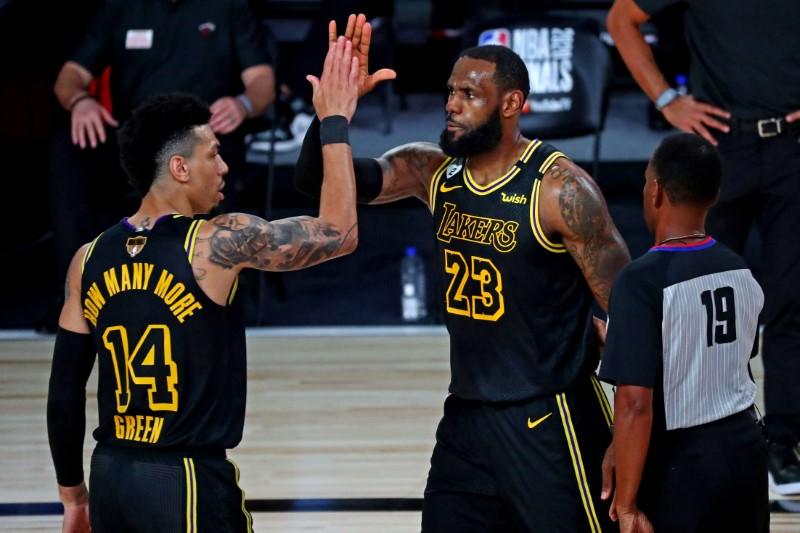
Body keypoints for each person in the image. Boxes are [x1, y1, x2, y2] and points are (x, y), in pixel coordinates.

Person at [295, 15, 630, 531]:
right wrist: (333, 115)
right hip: (467, 416)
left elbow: (631, 316)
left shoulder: (560, 191)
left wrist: (629, 440)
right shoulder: (432, 172)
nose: (451, 104)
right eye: (450, 91)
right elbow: (317, 181)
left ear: (512, 104)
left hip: (550, 417)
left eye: (469, 94)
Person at [46, 37, 360, 532]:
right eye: (213, 155)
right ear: (179, 167)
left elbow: (64, 393)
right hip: (186, 479)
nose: (225, 166)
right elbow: (339, 232)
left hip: (110, 477)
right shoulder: (215, 243)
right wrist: (335, 120)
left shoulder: (88, 259)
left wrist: (73, 496)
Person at [607, 0, 800, 494]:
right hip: (719, 144)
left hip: (792, 144)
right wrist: (667, 98)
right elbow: (620, 19)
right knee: (692, 300)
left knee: (792, 304)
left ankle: (781, 448)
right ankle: (681, 441)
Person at [47, 0, 276, 323]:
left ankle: (212, 300)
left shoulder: (229, 7)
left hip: (201, 136)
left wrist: (242, 103)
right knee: (67, 149)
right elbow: (69, 77)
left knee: (210, 155)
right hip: (134, 140)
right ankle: (75, 299)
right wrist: (81, 101)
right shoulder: (119, 7)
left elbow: (262, 80)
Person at [597, 133, 769, 533]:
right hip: (746, 452)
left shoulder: (640, 281)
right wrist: (626, 344)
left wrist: (626, 505)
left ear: (655, 191)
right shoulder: (740, 269)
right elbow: (719, 356)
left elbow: (635, 405)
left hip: (683, 465)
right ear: (715, 193)